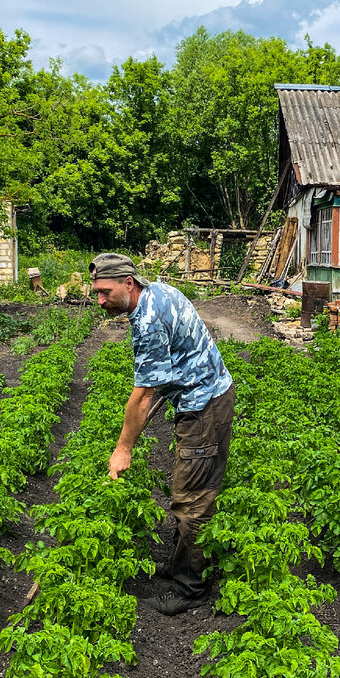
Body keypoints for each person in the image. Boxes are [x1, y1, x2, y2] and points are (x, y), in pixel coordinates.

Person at [89, 252, 235, 616]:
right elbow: (165, 371)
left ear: (128, 283)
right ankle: (178, 562)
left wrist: (124, 449)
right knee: (185, 488)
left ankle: (191, 587)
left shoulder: (147, 321)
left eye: (105, 292)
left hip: (203, 405)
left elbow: (141, 396)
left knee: (192, 499)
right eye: (96, 293)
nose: (100, 301)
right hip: (200, 394)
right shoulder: (160, 291)